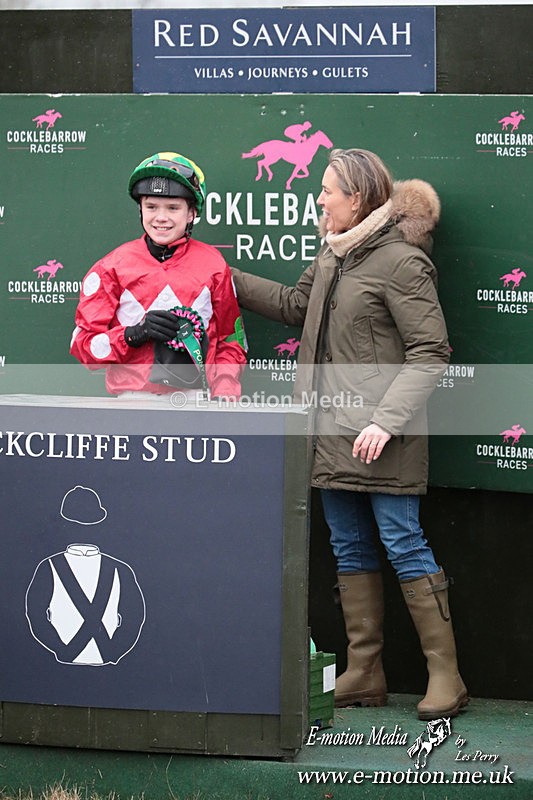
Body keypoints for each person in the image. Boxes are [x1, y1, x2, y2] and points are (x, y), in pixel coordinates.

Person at [232, 148, 467, 720]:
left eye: (328, 189)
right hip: (329, 431)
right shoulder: (332, 256)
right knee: (349, 546)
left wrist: (385, 422)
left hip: (383, 437)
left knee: (403, 544)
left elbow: (430, 351)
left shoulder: (402, 262)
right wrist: (221, 276)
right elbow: (294, 305)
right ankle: (364, 672)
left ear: (357, 197)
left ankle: (447, 676)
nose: (319, 198)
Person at [71, 151, 247, 398]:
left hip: (196, 402)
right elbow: (83, 348)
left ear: (191, 213)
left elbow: (231, 340)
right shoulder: (112, 267)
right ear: (140, 209)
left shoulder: (214, 265)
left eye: (173, 207)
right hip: (133, 404)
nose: (161, 217)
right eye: (151, 206)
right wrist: (133, 335)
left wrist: (225, 388)